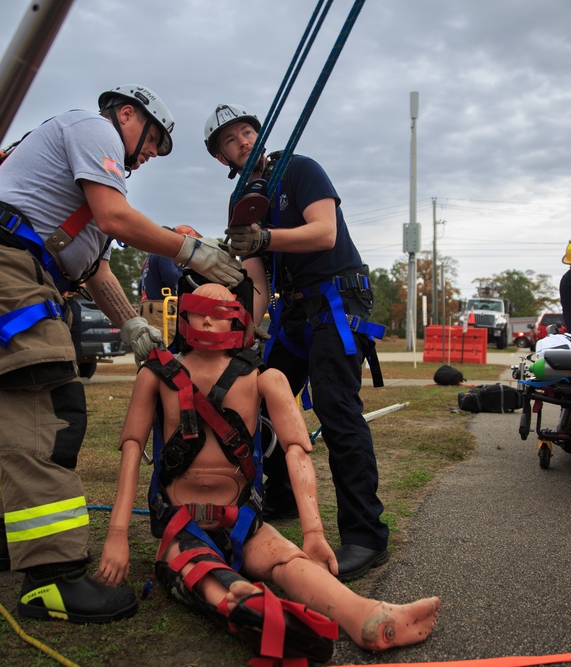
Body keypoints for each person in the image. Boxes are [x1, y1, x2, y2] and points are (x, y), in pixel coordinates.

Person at [0, 85, 242, 624]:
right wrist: (192, 249)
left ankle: (12, 540)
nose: (150, 155)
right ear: (127, 114)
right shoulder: (92, 128)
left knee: (43, 403)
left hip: (14, 265)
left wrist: (132, 326)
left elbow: (96, 268)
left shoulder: (87, 187)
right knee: (47, 405)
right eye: (153, 142)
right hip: (0, 261)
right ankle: (51, 579)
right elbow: (120, 220)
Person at [94, 282, 439, 663]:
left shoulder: (266, 378)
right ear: (185, 315)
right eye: (200, 310)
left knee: (290, 562)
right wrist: (117, 535)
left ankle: (365, 617)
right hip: (181, 524)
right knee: (196, 569)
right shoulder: (154, 375)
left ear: (238, 320)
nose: (208, 319)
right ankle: (249, 606)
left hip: (244, 522)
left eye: (220, 310)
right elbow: (130, 451)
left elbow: (298, 451)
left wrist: (314, 533)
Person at [203, 103, 390, 581]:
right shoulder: (241, 202)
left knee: (335, 407)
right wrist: (242, 334)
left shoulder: (302, 170)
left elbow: (325, 234)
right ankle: (283, 497)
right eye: (230, 139)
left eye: (247, 131)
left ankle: (366, 536)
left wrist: (265, 236)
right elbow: (258, 282)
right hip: (292, 310)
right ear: (221, 157)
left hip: (336, 300)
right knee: (258, 399)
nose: (242, 141)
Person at [138, 224, 202, 347]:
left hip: (148, 309)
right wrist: (182, 269)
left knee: (153, 348)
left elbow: (140, 286)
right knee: (167, 348)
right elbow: (172, 278)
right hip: (161, 310)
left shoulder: (150, 256)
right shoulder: (164, 250)